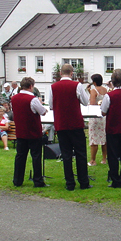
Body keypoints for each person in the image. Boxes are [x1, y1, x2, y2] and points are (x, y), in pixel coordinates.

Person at [47, 63, 91, 191]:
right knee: (81, 153)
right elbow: (85, 101)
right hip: (75, 123)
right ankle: (83, 182)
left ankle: (70, 183)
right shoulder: (76, 85)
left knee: (66, 155)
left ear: (60, 73)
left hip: (61, 124)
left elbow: (51, 105)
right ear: (72, 73)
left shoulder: (53, 87)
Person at [100, 69, 121, 188]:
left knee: (113, 155)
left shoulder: (109, 96)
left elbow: (103, 112)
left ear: (113, 82)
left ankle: (115, 180)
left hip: (112, 128)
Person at [12, 77, 47, 187]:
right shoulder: (33, 99)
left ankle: (17, 180)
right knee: (36, 156)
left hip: (21, 131)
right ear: (31, 86)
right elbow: (42, 112)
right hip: (33, 132)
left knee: (20, 156)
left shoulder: (14, 98)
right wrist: (43, 106)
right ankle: (38, 180)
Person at [88, 73, 107, 166]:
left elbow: (92, 103)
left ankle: (93, 160)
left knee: (94, 139)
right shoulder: (105, 89)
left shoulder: (93, 90)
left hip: (95, 117)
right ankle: (104, 159)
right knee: (104, 139)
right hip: (104, 117)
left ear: (94, 82)